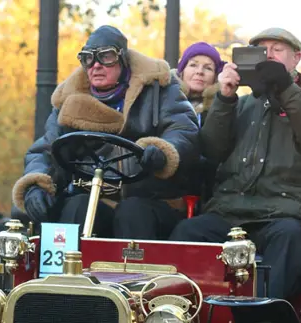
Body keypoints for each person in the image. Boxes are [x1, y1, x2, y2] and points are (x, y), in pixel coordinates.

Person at [169, 28, 301, 300]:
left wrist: (285, 88)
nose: (269, 55)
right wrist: (225, 97)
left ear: (295, 58)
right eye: (262, 50)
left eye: (277, 49)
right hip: (230, 211)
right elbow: (212, 150)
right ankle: (184, 317)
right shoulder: (241, 103)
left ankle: (267, 321)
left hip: (282, 213)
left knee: (289, 239)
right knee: (187, 232)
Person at [12, 25, 200, 240]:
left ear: (123, 59)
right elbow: (45, 149)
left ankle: (135, 274)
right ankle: (64, 273)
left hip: (152, 199)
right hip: (92, 197)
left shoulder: (160, 89)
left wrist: (163, 151)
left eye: (106, 57)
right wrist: (36, 184)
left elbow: (184, 131)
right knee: (75, 207)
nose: (96, 66)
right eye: (88, 59)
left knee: (132, 212)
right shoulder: (69, 102)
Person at [174, 41, 224, 208]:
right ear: (181, 71)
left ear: (216, 77)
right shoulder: (163, 101)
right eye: (193, 65)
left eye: (208, 68)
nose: (199, 72)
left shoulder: (224, 108)